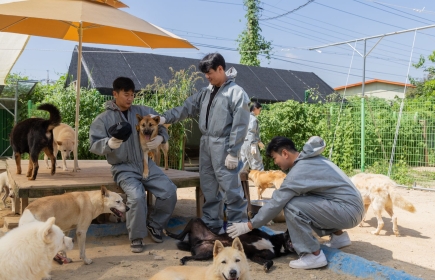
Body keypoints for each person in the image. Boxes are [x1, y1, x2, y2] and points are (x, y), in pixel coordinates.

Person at [227, 136, 364, 269]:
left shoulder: (298, 172)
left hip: (348, 210)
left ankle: (313, 255)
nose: (275, 163)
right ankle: (339, 237)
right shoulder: (311, 160)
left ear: (285, 153)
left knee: (291, 204)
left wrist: (249, 226)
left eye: (275, 158)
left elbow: (276, 203)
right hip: (352, 207)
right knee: (304, 198)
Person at [155, 53, 250, 234]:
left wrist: (233, 151)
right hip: (206, 143)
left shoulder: (236, 93)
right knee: (209, 187)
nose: (207, 76)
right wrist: (164, 117)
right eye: (205, 73)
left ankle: (238, 226)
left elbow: (240, 124)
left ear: (220, 69)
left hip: (223, 145)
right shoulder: (206, 92)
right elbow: (186, 107)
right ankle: (211, 224)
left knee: (231, 188)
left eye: (209, 72)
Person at [89, 77, 177, 253]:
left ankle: (155, 225)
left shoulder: (143, 111)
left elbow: (162, 124)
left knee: (169, 191)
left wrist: (161, 137)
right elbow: (93, 144)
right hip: (122, 167)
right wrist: (108, 143)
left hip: (145, 163)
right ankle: (136, 237)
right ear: (115, 94)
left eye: (132, 95)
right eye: (125, 94)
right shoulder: (103, 119)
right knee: (136, 197)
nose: (130, 99)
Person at [240, 101, 265, 171]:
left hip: (243, 144)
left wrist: (259, 142)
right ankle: (260, 181)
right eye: (260, 110)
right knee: (257, 163)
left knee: (244, 163)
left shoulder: (245, 117)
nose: (260, 112)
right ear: (255, 108)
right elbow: (251, 132)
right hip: (251, 143)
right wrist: (253, 144)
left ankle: (240, 181)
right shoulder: (253, 119)